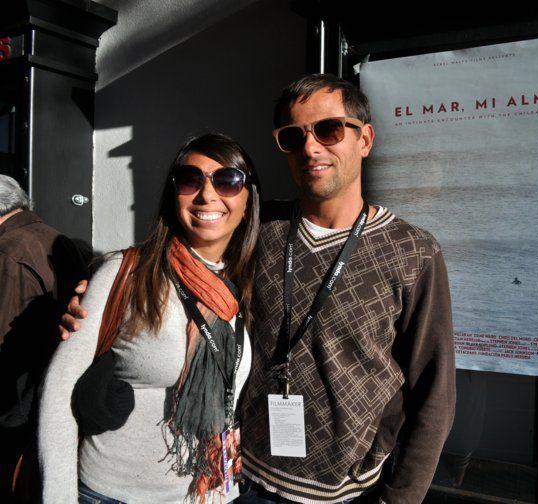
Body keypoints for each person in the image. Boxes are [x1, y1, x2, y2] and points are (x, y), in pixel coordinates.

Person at [62, 74, 457, 504]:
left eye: (329, 129)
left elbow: (435, 394)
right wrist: (103, 289)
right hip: (242, 480)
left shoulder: (412, 251)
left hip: (350, 493)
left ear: (365, 140)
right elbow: (178, 261)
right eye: (293, 136)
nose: (311, 147)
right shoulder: (258, 231)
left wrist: (402, 499)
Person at [40, 133, 260, 503]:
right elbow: (59, 391)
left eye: (227, 180)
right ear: (173, 195)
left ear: (247, 200)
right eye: (191, 180)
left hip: (208, 494)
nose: (207, 195)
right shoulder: (125, 273)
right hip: (114, 494)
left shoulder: (240, 285)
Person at [0, 175, 88, 502]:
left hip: (16, 403)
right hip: (52, 392)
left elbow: (3, 343)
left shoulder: (8, 250)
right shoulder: (53, 236)